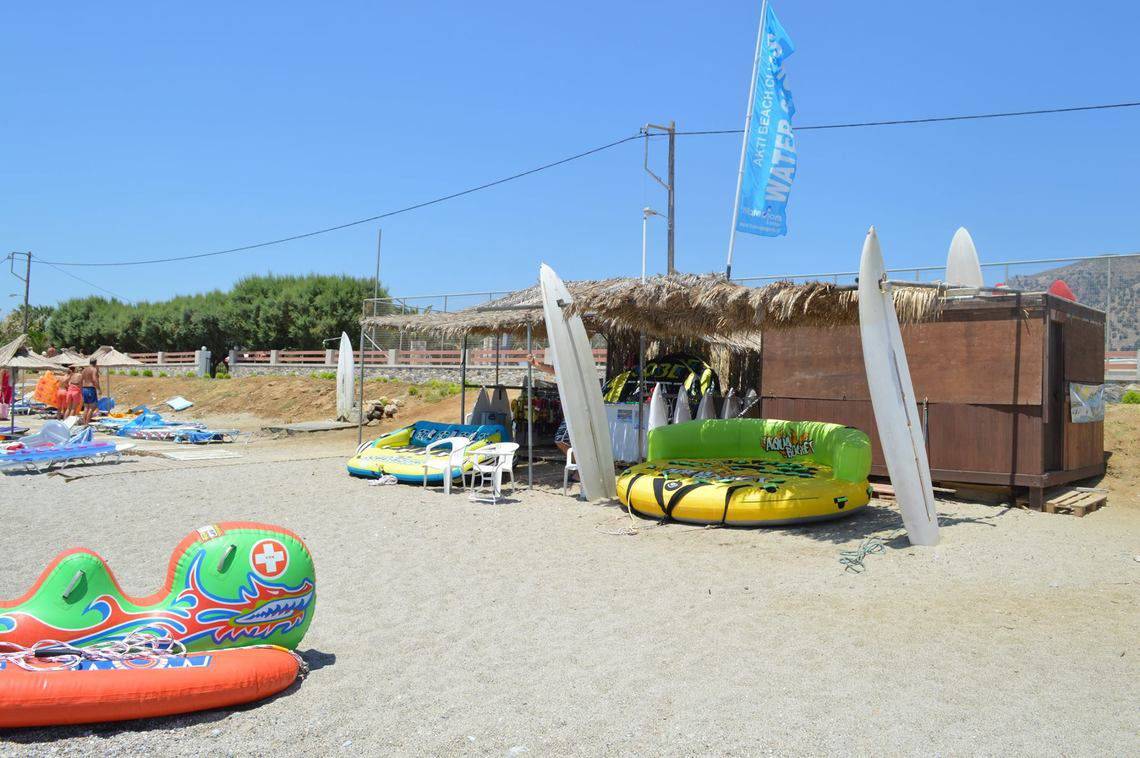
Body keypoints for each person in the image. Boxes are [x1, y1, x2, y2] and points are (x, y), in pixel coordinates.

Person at [527, 353, 571, 455]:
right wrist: (535, 363)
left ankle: (579, 468)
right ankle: (578, 467)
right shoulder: (565, 369)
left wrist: (535, 363)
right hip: (570, 410)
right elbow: (552, 369)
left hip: (576, 411)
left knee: (561, 440)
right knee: (562, 440)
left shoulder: (573, 368)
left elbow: (553, 369)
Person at [80, 357, 101, 426]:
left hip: (84, 388)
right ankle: (87, 424)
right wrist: (98, 388)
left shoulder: (85, 369)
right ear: (95, 363)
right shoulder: (93, 369)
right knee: (92, 407)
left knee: (86, 407)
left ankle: (84, 423)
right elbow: (94, 379)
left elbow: (81, 380)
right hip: (90, 388)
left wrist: (81, 389)